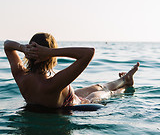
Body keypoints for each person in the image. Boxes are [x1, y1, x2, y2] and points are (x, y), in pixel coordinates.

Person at [4, 32, 139, 108]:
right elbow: (88, 53)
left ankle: (124, 79)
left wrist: (22, 47)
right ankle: (125, 87)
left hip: (67, 99)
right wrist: (51, 52)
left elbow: (7, 45)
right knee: (106, 92)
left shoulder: (20, 75)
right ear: (48, 55)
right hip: (79, 105)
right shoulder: (52, 84)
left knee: (97, 86)